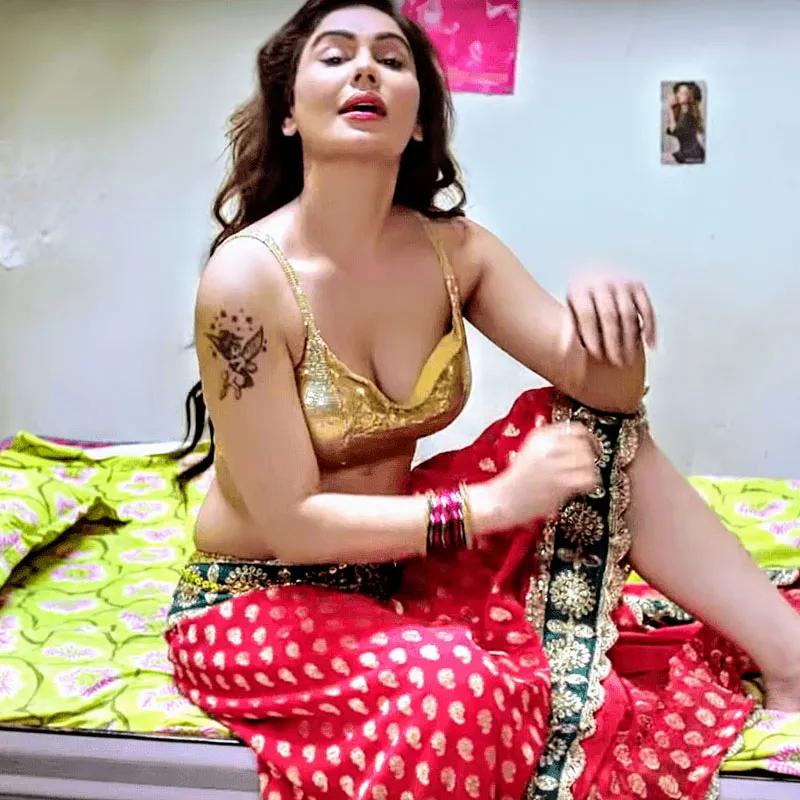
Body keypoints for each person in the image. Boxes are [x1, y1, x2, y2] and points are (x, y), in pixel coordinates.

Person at [166, 3, 800, 799]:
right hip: (257, 600)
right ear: (288, 112)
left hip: (391, 571)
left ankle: (790, 661)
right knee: (463, 692)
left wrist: (609, 323)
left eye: (391, 59)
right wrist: (492, 506)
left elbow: (608, 397)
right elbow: (291, 525)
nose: (365, 69)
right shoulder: (246, 280)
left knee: (586, 432)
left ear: (419, 118)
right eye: (335, 55)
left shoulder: (453, 250)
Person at [665, 82, 706, 164]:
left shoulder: (690, 115)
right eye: (678, 92)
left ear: (690, 97)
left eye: (683, 93)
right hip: (688, 153)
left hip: (693, 154)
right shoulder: (681, 112)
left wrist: (669, 108)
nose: (678, 95)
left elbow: (674, 131)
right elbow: (671, 130)